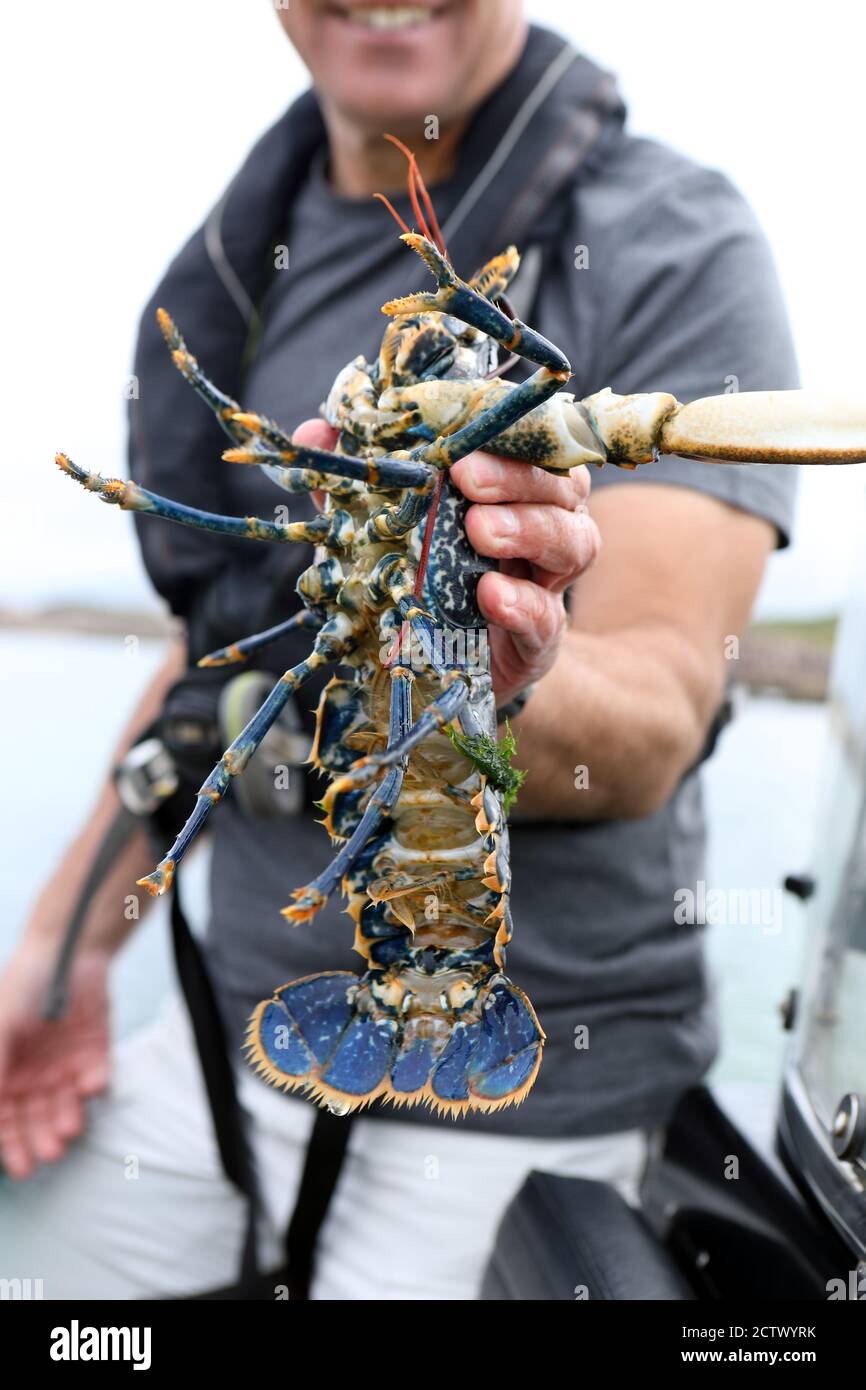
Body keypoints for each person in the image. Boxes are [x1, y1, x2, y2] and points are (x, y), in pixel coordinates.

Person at [0, 2, 798, 1300]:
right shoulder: (248, 261)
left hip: (516, 1119)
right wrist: (66, 947)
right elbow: (217, 655)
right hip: (226, 1040)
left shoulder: (672, 239)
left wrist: (501, 677)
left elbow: (659, 698)